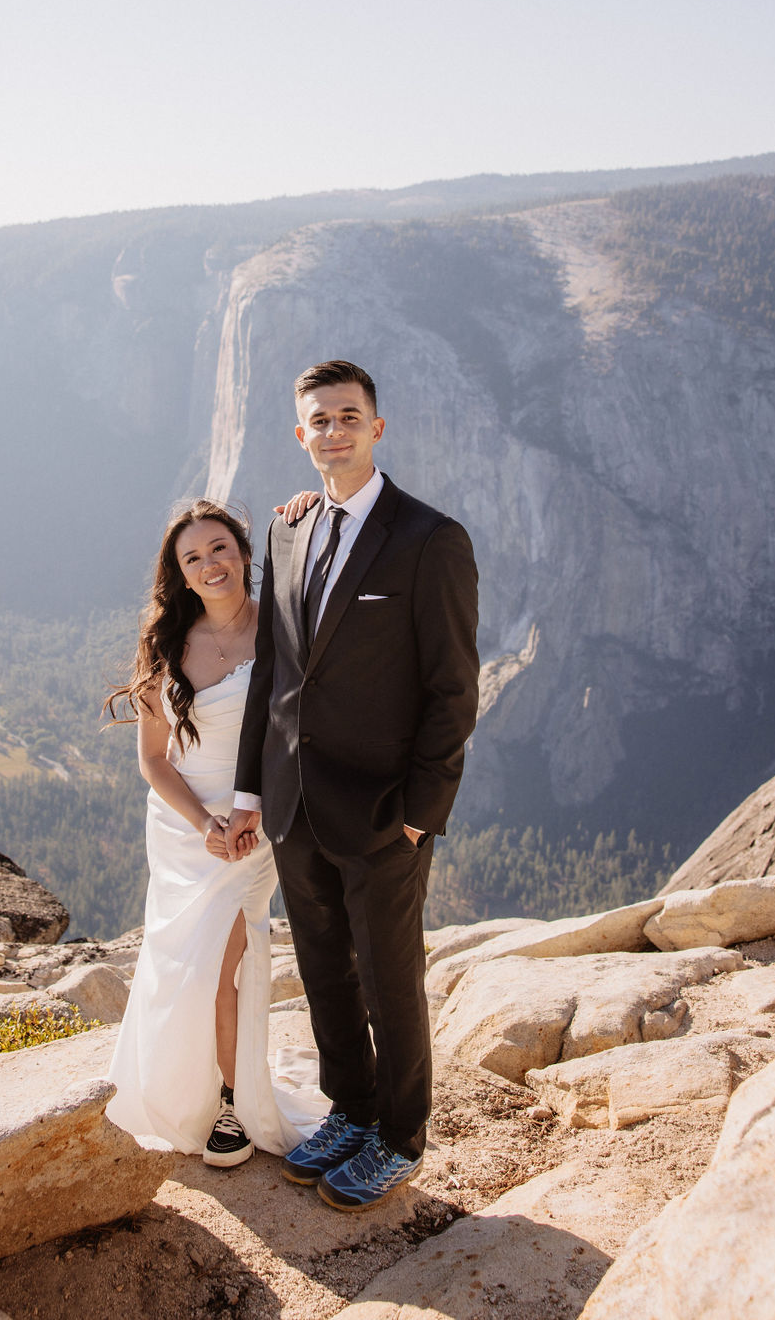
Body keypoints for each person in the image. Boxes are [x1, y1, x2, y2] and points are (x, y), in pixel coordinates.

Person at [229, 359, 479, 1209]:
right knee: (325, 968)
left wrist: (420, 815)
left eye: (348, 415)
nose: (333, 430)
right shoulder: (289, 529)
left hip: (383, 813)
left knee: (389, 975)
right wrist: (249, 790)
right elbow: (275, 670)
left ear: (378, 427)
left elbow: (453, 690)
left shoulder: (429, 539)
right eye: (318, 420)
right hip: (293, 801)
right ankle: (351, 1106)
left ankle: (401, 1133)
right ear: (301, 437)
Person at [104, 497, 323, 1166]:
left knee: (228, 957)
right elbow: (152, 756)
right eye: (192, 557)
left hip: (251, 826)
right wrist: (202, 822)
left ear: (245, 552)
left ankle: (231, 1101)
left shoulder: (282, 628)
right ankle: (180, 1091)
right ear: (179, 572)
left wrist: (309, 508)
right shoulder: (167, 641)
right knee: (181, 962)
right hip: (183, 824)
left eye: (220, 547)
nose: (210, 564)